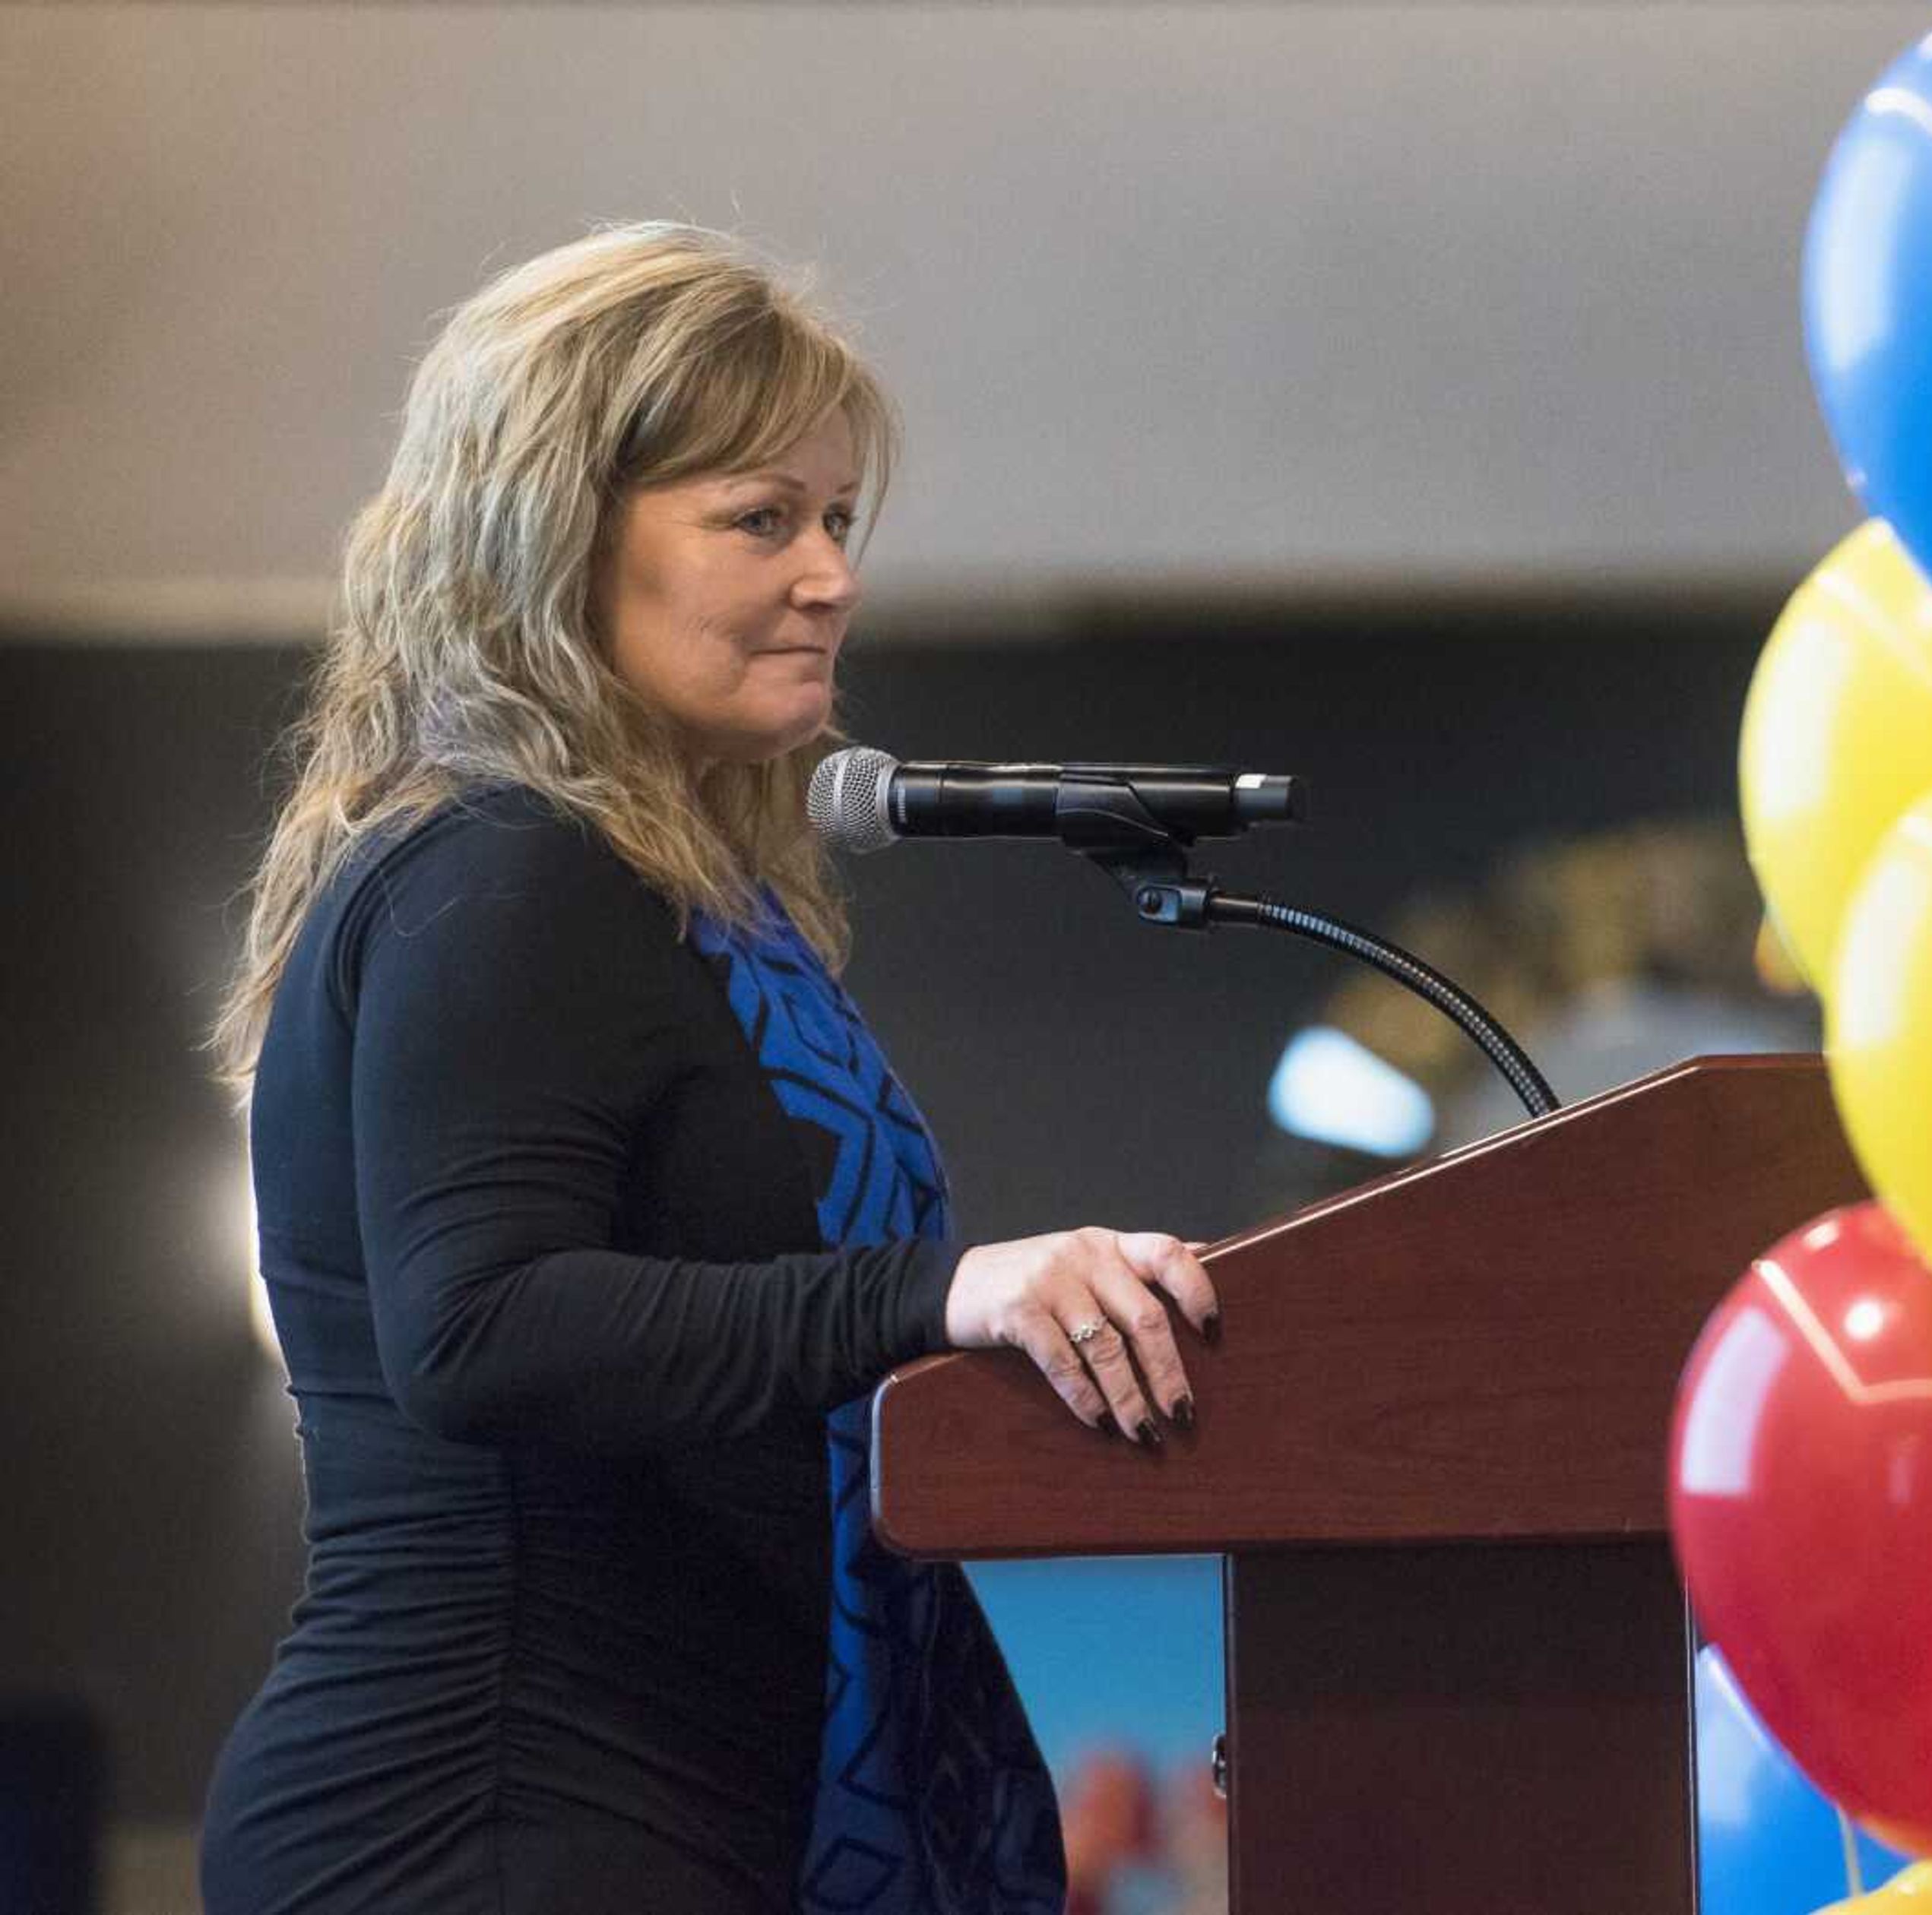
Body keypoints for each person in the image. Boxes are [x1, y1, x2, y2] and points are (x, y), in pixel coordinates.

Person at [199, 221, 1221, 1915]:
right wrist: (938, 1296)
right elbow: (482, 1328)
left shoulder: (650, 890)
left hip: (653, 1806)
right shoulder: (506, 867)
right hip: (488, 1817)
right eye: (761, 519)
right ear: (554, 537)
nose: (831, 574)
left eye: (835, 519)